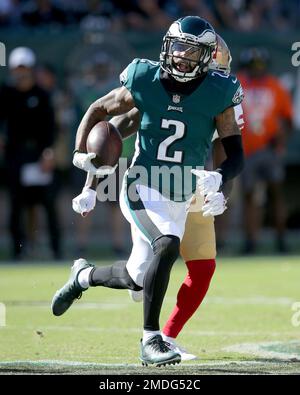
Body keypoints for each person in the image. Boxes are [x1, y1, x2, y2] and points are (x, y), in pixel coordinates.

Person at [51, 16, 244, 366]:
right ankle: (152, 340)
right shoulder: (148, 79)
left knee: (137, 278)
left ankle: (82, 275)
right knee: (167, 243)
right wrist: (87, 172)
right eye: (179, 47)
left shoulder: (221, 92)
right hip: (143, 184)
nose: (182, 57)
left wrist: (220, 182)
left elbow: (234, 152)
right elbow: (107, 118)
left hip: (184, 193)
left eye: (192, 51)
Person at [0, 47, 61, 260]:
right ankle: (18, 251)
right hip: (15, 157)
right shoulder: (6, 93)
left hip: (38, 157)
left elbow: (50, 127)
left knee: (48, 204)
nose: (21, 72)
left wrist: (48, 152)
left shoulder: (42, 95)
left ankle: (56, 249)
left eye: (25, 67)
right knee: (16, 205)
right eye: (18, 68)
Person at [238, 48, 293, 254]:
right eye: (253, 66)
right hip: (245, 150)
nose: (257, 70)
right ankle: (250, 242)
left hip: (270, 150)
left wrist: (280, 140)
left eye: (260, 66)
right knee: (249, 196)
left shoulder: (275, 86)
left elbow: (288, 120)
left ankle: (282, 240)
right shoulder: (238, 83)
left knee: (276, 194)